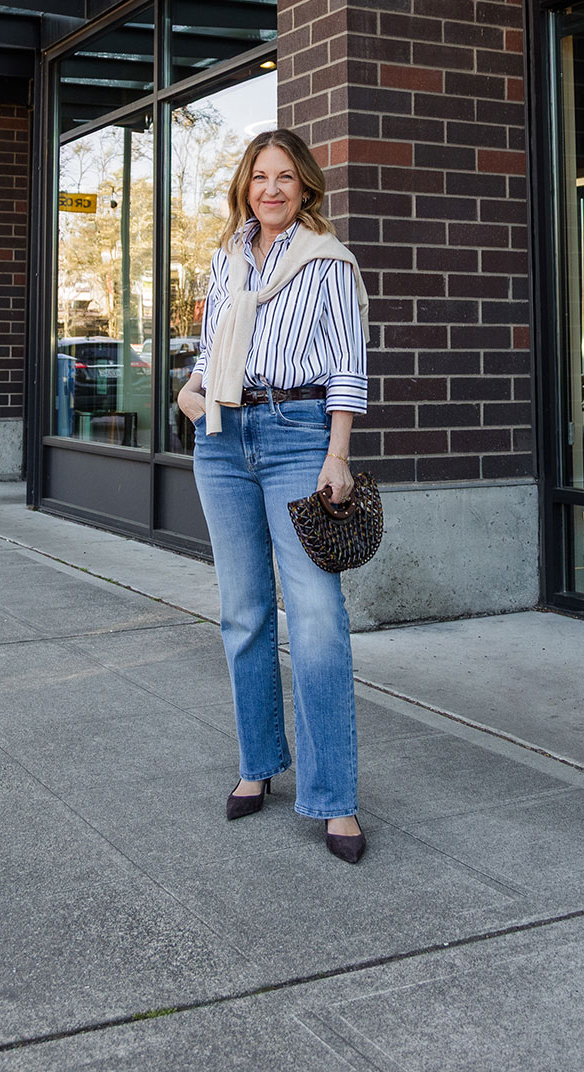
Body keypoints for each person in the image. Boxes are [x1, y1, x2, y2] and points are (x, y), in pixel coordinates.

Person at [177, 128, 371, 862]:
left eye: (285, 176)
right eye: (260, 176)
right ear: (244, 186)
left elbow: (347, 365)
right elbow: (210, 345)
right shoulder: (228, 257)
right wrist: (189, 397)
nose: (272, 189)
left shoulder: (328, 262)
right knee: (243, 613)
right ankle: (257, 765)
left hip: (298, 434)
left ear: (306, 186)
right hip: (223, 438)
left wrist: (338, 453)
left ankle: (334, 798)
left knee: (318, 615)